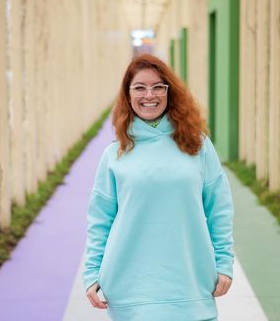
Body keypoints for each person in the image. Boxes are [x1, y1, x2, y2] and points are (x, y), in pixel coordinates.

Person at [84, 54, 234, 321]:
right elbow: (100, 220)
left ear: (169, 92)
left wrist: (224, 263)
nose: (149, 95)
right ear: (128, 95)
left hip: (190, 283)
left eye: (158, 87)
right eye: (139, 87)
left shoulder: (197, 145)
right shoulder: (114, 154)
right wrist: (92, 272)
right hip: (130, 289)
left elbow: (219, 208)